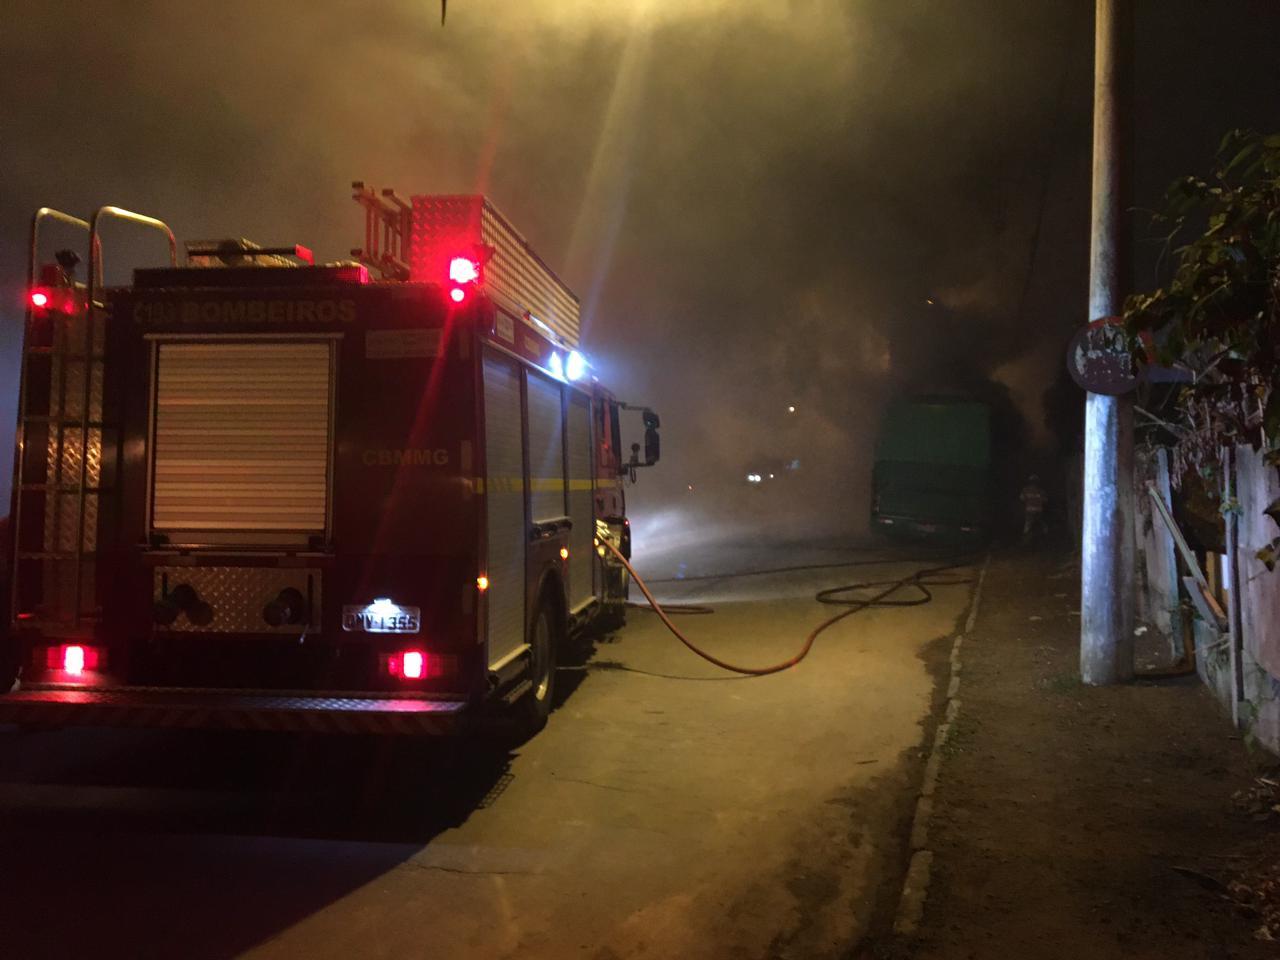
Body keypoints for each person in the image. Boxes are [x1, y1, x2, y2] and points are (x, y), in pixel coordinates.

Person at [1020, 474, 1048, 545]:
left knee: (1027, 526)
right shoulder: (1041, 491)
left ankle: (1025, 542)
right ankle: (1046, 540)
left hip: (1029, 510)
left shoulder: (1025, 490)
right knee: (1042, 525)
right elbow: (1045, 500)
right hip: (1039, 510)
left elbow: (1022, 498)